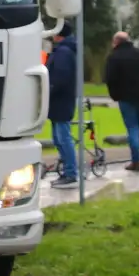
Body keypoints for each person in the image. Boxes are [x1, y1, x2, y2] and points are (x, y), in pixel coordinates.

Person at [105, 31, 139, 171]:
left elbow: (110, 79)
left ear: (116, 42)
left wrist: (115, 95)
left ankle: (136, 161)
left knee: (132, 128)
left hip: (125, 97)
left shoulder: (114, 57)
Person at [46, 22, 78, 188]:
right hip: (60, 101)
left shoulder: (63, 52)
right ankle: (68, 171)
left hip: (60, 101)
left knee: (63, 138)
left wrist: (48, 90)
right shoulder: (64, 50)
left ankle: (71, 173)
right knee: (59, 138)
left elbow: (60, 77)